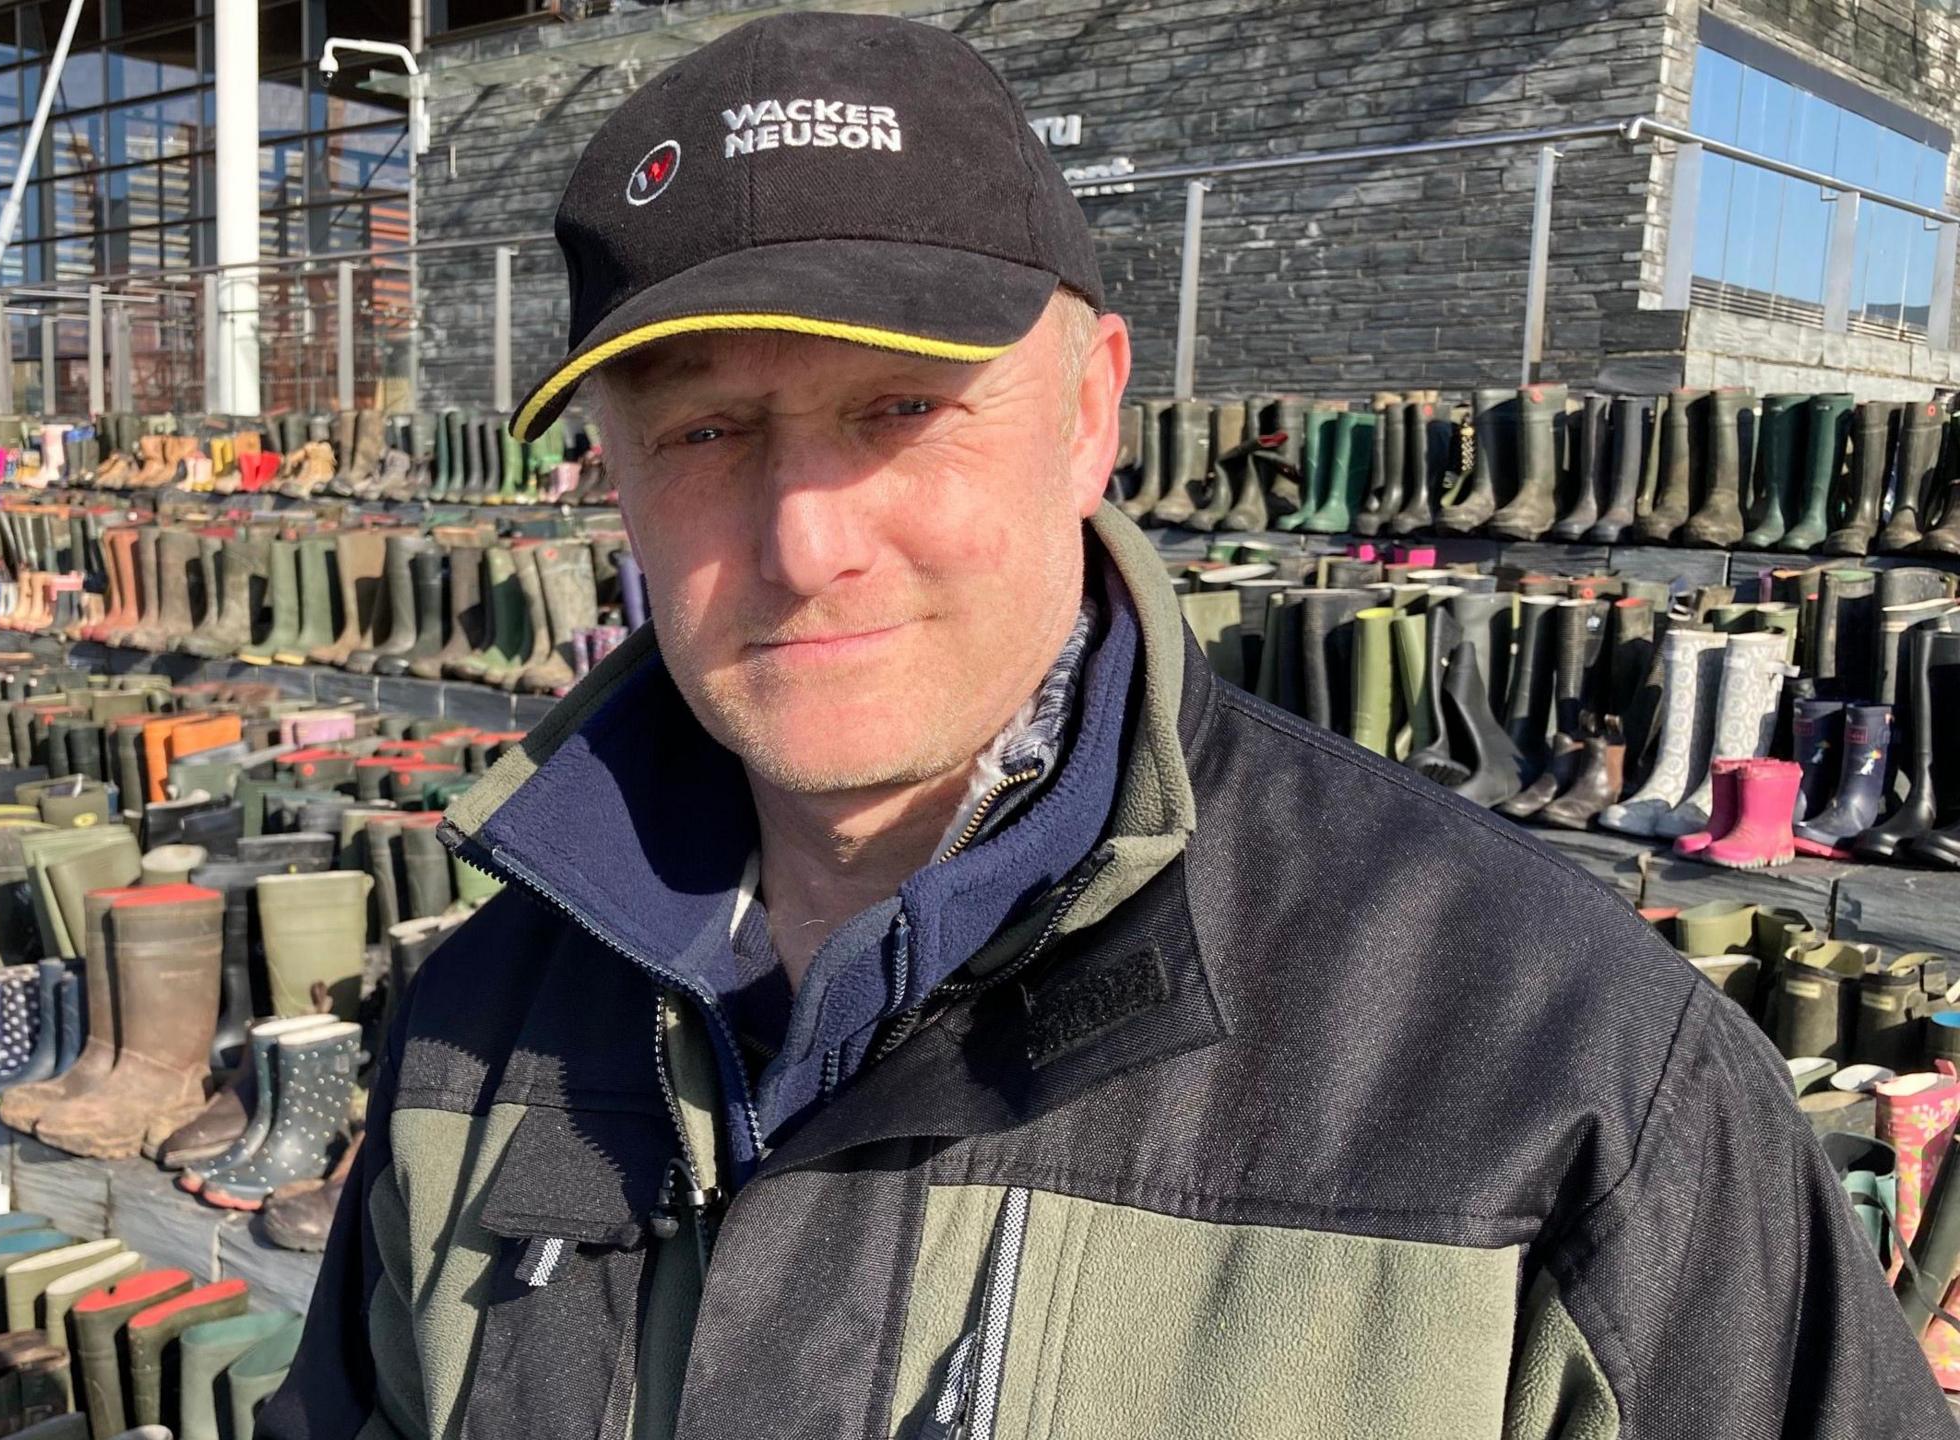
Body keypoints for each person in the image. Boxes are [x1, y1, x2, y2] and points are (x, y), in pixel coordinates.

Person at [260, 12, 1954, 1438]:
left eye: (900, 409)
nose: (804, 539)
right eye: (707, 432)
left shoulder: (1555, 1072)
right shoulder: (480, 1030)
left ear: (1090, 416)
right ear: (610, 471)